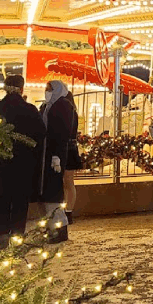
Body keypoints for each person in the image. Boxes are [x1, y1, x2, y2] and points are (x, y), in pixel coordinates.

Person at [0, 75, 46, 249]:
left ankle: (1, 235)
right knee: (20, 199)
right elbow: (40, 134)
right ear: (21, 88)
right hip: (23, 162)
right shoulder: (29, 109)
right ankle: (17, 235)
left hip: (0, 159)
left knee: (1, 197)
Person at [37, 80, 76, 243]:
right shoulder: (46, 107)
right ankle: (51, 226)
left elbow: (62, 133)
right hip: (46, 155)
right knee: (45, 193)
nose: (47, 91)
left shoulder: (63, 106)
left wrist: (57, 156)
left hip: (55, 156)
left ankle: (60, 228)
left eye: (50, 89)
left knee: (53, 193)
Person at [62, 91, 82, 225]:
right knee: (68, 182)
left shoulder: (69, 113)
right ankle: (67, 210)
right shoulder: (73, 112)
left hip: (67, 149)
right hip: (70, 149)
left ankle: (68, 211)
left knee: (68, 182)